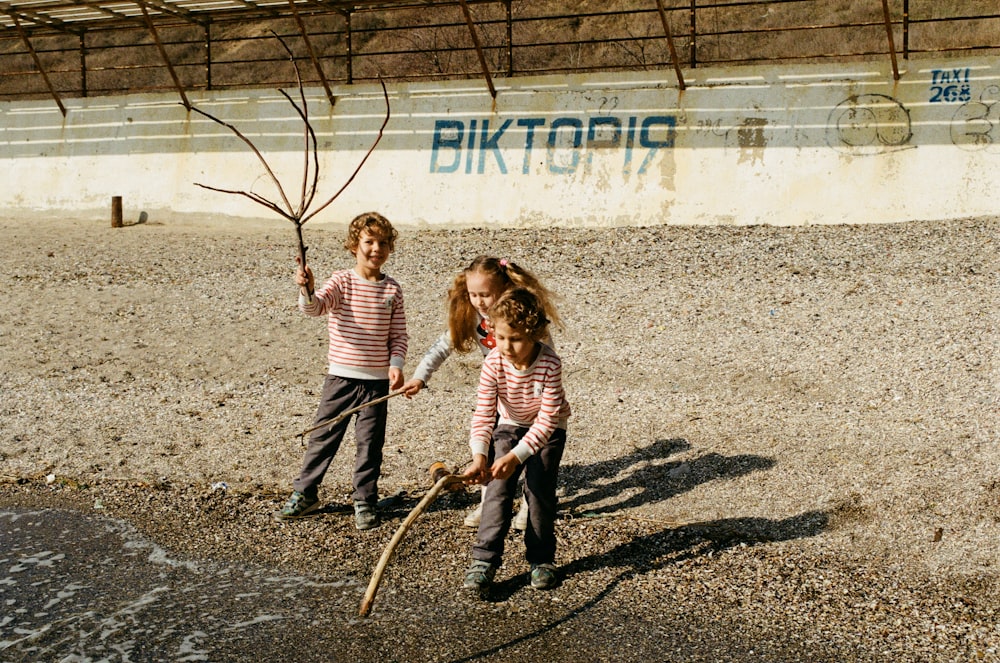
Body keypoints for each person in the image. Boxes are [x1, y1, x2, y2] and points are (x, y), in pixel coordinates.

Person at [400, 256, 560, 530]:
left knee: (535, 455)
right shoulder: (471, 315)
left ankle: (528, 506)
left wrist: (540, 390)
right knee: (491, 448)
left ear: (504, 289)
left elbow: (546, 355)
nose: (479, 301)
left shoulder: (522, 315)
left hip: (533, 389)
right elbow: (442, 346)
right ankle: (490, 504)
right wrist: (419, 377)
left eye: (485, 294)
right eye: (473, 294)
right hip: (499, 387)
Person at [274, 211, 408, 530]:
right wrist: (306, 288)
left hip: (376, 383)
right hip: (341, 378)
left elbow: (398, 334)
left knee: (370, 444)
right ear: (353, 245)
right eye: (369, 241)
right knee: (324, 436)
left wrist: (396, 365)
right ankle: (306, 493)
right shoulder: (342, 281)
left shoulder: (392, 290)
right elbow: (315, 308)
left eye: (383, 243)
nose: (376, 248)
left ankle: (365, 499)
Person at [460, 287, 570, 594]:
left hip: (548, 430)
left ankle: (541, 560)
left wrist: (517, 456)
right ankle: (484, 560)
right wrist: (480, 456)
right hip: (509, 424)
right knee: (496, 490)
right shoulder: (494, 362)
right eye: (502, 337)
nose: (507, 346)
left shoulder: (550, 363)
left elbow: (547, 421)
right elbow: (483, 415)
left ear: (536, 334)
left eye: (516, 339)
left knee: (538, 492)